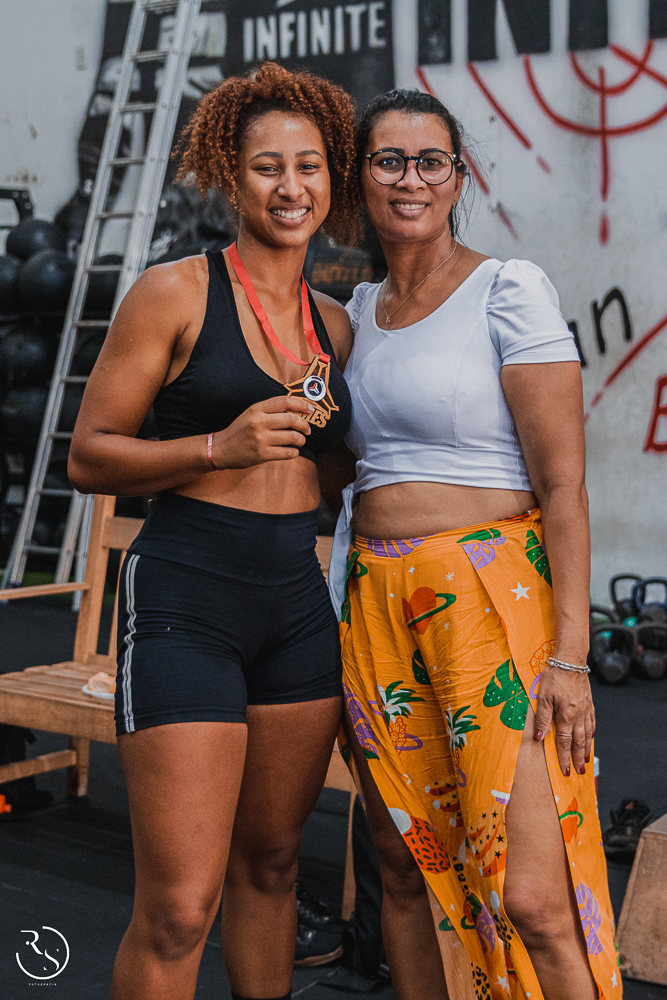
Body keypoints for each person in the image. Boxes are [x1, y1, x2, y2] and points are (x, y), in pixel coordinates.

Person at [69, 63, 358, 1000]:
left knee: (272, 868)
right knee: (180, 907)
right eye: (267, 167)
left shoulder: (335, 325)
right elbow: (88, 456)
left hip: (296, 606)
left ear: (331, 178)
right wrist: (215, 447)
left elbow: (334, 468)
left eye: (308, 167)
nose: (290, 187)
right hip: (187, 598)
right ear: (231, 178)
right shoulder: (174, 292)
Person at [329, 89, 618, 1000]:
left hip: (490, 597)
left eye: (431, 161)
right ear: (360, 177)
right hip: (374, 601)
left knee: (530, 893)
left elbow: (563, 487)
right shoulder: (356, 310)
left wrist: (569, 659)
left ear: (459, 179)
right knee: (404, 863)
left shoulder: (507, 288)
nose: (409, 179)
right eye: (388, 160)